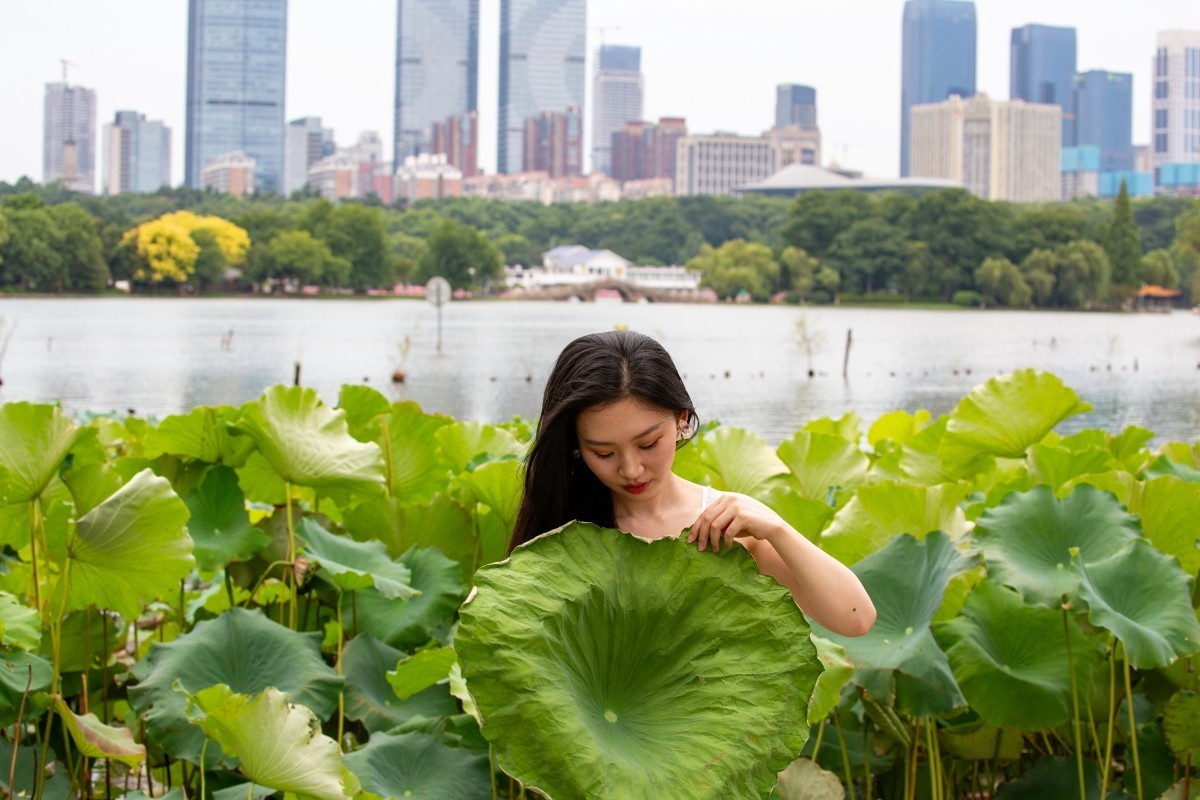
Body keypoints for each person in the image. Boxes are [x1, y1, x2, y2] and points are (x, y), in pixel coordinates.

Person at [510, 329, 876, 638]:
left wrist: (776, 529)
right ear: (575, 444)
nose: (632, 470)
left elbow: (856, 619)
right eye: (603, 453)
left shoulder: (724, 525)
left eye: (648, 444)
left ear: (681, 420)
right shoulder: (561, 528)